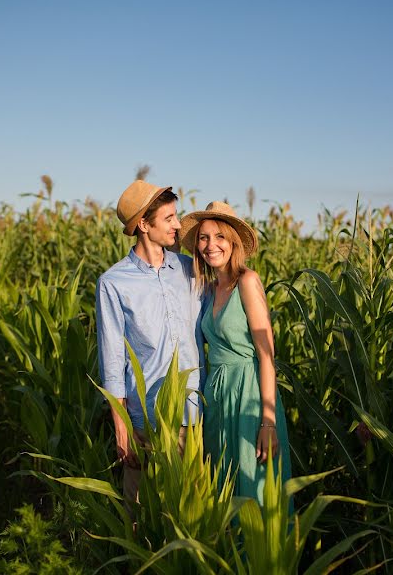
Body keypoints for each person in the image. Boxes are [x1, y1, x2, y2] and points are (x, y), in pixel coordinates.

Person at [95, 180, 204, 503]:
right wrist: (121, 426)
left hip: (192, 414)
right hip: (147, 419)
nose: (178, 224)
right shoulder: (113, 283)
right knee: (141, 515)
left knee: (191, 512)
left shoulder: (189, 270)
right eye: (169, 218)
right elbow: (112, 360)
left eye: (176, 216)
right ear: (144, 224)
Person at [179, 201, 291, 503]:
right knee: (224, 484)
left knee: (254, 483)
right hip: (217, 394)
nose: (210, 245)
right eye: (203, 237)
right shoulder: (210, 289)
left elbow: (267, 355)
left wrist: (267, 420)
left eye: (219, 237)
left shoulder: (248, 282)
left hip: (249, 393)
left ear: (232, 243)